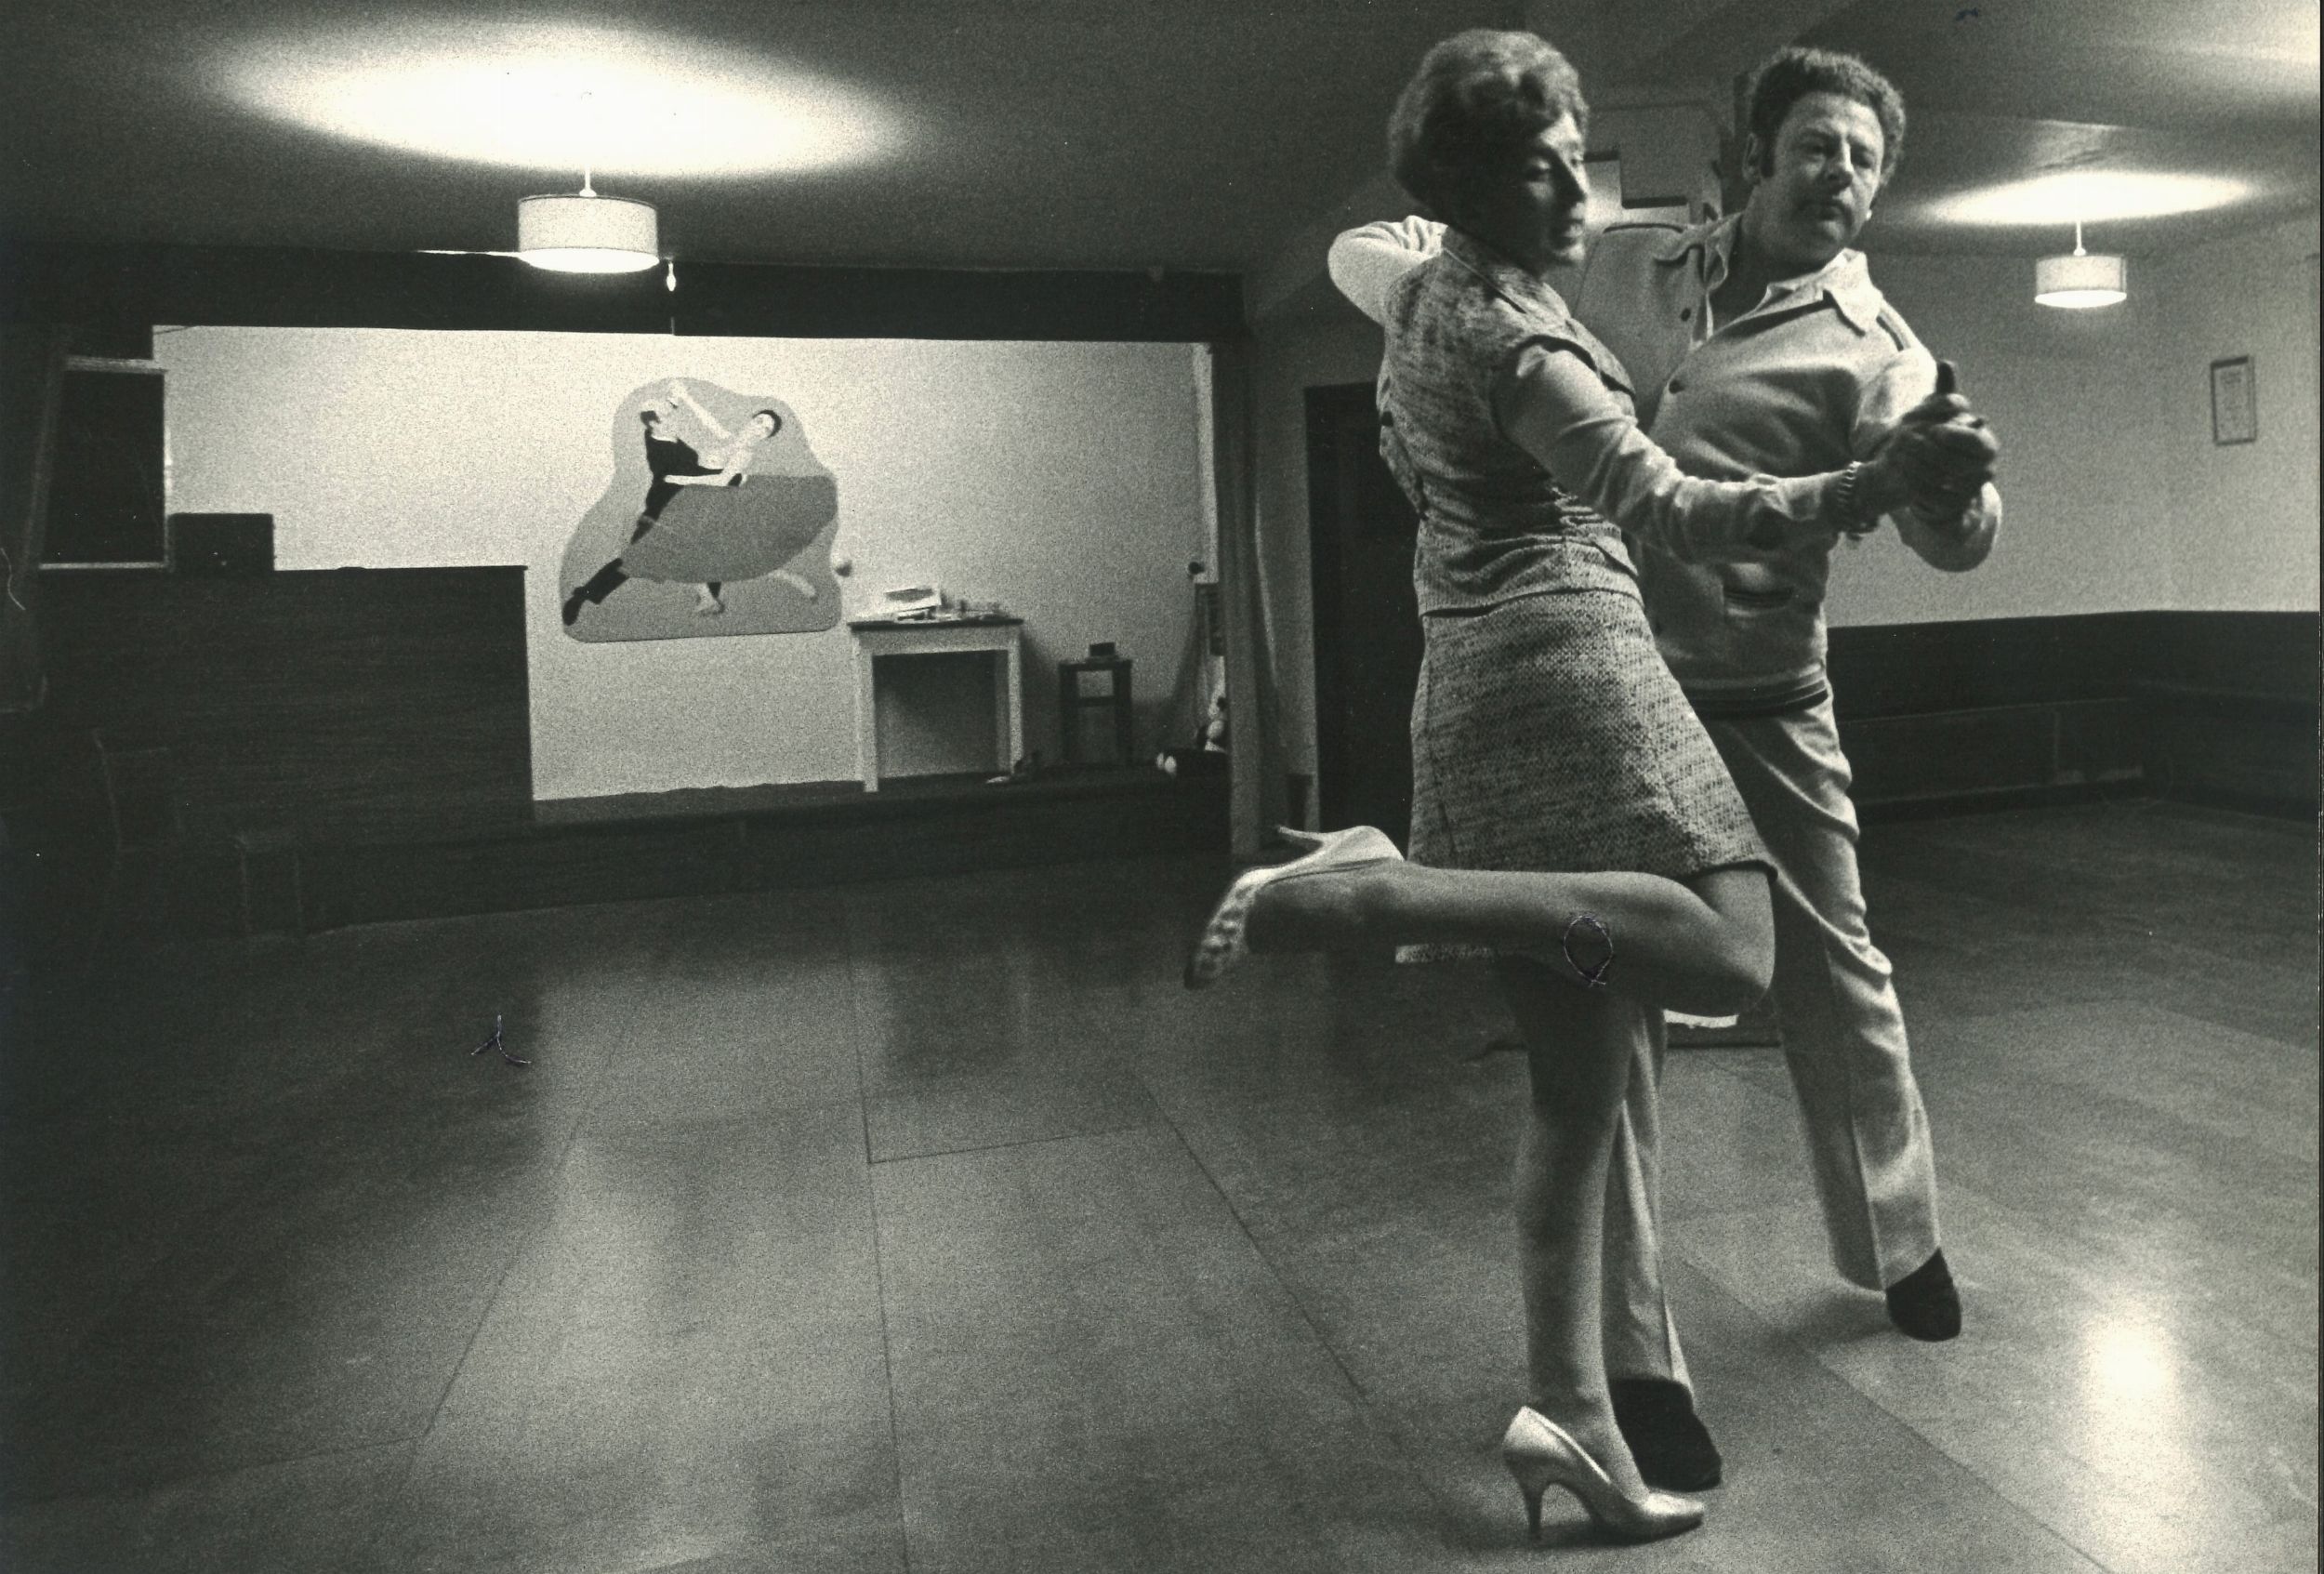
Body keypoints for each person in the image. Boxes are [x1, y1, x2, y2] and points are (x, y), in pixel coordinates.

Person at [1184, 29, 1990, 1542]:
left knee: (1812, 976)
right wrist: (1461, 229)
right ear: (1752, 159)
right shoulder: (1601, 271)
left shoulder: (1877, 340)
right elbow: (1416, 280)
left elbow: (1958, 527)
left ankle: (1875, 1256)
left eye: (1866, 160)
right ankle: (1637, 1363)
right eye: (1817, 145)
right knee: (1637, 1033)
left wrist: (1935, 485)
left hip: (1755, 691)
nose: (1841, 174)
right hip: (1602, 675)